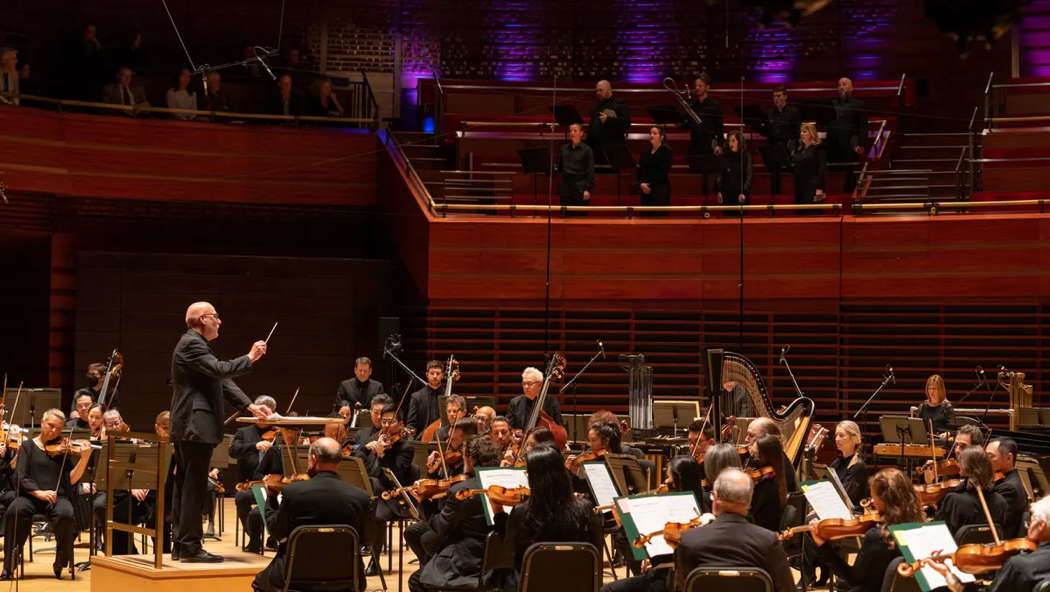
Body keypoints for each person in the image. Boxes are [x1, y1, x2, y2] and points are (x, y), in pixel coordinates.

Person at [170, 301, 272, 563]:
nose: (219, 321)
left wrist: (249, 406)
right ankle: (190, 546)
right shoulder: (192, 343)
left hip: (191, 425)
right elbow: (220, 370)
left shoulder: (196, 345)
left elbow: (222, 380)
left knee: (188, 486)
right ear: (203, 319)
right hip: (195, 425)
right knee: (192, 486)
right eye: (216, 316)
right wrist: (249, 357)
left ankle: (182, 544)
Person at [252, 438, 370, 592]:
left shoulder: (294, 492)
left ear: (313, 459)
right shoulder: (360, 496)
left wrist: (271, 498)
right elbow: (368, 538)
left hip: (295, 576)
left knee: (259, 583)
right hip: (347, 577)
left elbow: (276, 531)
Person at [492, 445, 604, 590]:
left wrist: (499, 513)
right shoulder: (585, 509)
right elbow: (596, 556)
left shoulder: (521, 512)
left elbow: (507, 557)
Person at [1, 409, 93, 579]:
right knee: (14, 510)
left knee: (66, 514)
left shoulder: (63, 450)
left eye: (58, 428)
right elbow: (20, 475)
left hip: (57, 497)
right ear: (42, 422)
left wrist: (84, 459)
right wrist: (39, 493)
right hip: (29, 496)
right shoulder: (27, 446)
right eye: (51, 426)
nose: (54, 431)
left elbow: (70, 480)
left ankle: (61, 558)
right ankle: (9, 565)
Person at [674, 467, 794, 592]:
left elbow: (682, 588)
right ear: (749, 500)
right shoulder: (768, 541)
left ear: (715, 497)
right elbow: (787, 589)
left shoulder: (688, 540)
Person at [408, 437, 502, 592]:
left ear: (470, 459)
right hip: (501, 561)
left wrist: (423, 501)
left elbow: (439, 527)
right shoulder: (511, 484)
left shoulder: (463, 491)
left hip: (469, 563)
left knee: (416, 580)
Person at [600, 456, 705, 592]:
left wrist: (624, 526)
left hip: (669, 579)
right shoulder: (705, 503)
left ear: (678, 480)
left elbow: (635, 547)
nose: (665, 481)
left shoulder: (665, 509)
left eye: (668, 477)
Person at [811, 467, 923, 592]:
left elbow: (853, 578)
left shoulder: (878, 536)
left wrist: (823, 546)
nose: (872, 501)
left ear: (883, 499)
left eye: (874, 497)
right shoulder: (920, 530)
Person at [93, 408, 150, 555]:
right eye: (110, 425)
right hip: (109, 490)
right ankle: (124, 550)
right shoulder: (103, 445)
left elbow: (144, 469)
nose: (115, 427)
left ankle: (117, 549)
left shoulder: (135, 441)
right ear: (104, 426)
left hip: (130, 491)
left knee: (124, 512)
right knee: (101, 505)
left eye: (117, 423)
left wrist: (138, 485)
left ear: (122, 421)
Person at [229, 395, 279, 548]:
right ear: (254, 412)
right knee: (242, 497)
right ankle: (253, 535)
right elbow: (233, 451)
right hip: (250, 483)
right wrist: (254, 445)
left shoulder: (280, 432)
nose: (263, 417)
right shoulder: (243, 432)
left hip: (275, 484)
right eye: (260, 412)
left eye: (268, 413)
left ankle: (275, 536)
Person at [935, 446, 1009, 538]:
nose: (958, 465)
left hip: (959, 551)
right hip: (987, 551)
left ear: (967, 468)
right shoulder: (1001, 502)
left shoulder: (953, 500)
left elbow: (938, 534)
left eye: (960, 462)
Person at [685, 73, 725, 195]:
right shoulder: (692, 105)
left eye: (700, 85)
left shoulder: (715, 105)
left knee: (710, 178)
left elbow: (719, 127)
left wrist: (719, 144)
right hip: (695, 145)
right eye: (696, 86)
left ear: (707, 87)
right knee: (696, 180)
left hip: (709, 146)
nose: (697, 88)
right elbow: (687, 125)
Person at [826, 77, 867, 193]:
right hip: (833, 144)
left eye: (844, 84)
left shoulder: (859, 104)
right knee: (834, 174)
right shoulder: (831, 102)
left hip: (849, 144)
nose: (841, 87)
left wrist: (861, 144)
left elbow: (863, 127)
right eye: (839, 85)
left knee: (850, 173)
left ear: (851, 88)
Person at [759, 86, 801, 195]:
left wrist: (794, 150)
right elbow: (766, 132)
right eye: (774, 96)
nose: (776, 99)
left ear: (785, 97)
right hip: (774, 147)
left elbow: (797, 133)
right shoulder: (770, 113)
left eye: (779, 96)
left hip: (788, 148)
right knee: (774, 172)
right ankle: (775, 196)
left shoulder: (793, 111)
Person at [986, 437, 1027, 538]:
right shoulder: (1003, 480)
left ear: (1009, 458)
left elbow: (988, 519)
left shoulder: (1009, 488)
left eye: (990, 456)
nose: (985, 461)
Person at [748, 434, 787, 532]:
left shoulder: (766, 484)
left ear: (765, 456)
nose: (753, 459)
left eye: (755, 455)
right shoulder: (777, 475)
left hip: (760, 532)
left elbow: (750, 512)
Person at [507, 366, 563, 431]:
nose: (526, 387)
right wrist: (514, 433)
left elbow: (559, 426)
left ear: (539, 385)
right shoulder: (515, 403)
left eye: (529, 383)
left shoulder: (551, 402)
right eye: (524, 383)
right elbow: (509, 427)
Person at [588, 80, 630, 164]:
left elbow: (626, 122)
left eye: (600, 90)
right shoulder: (596, 106)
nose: (598, 93)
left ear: (609, 90)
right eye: (597, 90)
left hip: (612, 148)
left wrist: (609, 120)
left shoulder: (620, 103)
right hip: (596, 147)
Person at [831, 420, 869, 509]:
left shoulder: (858, 466)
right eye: (836, 435)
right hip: (836, 508)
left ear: (854, 438)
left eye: (841, 435)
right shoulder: (836, 463)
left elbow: (846, 498)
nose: (837, 439)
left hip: (852, 515)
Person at [558, 123, 595, 213]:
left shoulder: (587, 150)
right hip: (565, 188)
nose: (572, 133)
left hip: (580, 188)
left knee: (579, 218)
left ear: (581, 133)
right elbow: (560, 167)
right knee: (564, 218)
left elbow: (590, 170)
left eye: (575, 130)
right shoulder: (564, 149)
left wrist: (587, 189)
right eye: (570, 131)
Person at [637, 126, 672, 215]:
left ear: (662, 137)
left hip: (659, 190)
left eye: (655, 133)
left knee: (659, 218)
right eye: (650, 133)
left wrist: (649, 185)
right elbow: (640, 169)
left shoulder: (666, 151)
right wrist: (641, 184)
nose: (651, 135)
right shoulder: (646, 152)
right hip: (645, 190)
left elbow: (663, 172)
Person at [792, 123, 827, 209]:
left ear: (811, 133)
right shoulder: (799, 149)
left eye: (804, 132)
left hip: (813, 186)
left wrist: (819, 188)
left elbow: (822, 169)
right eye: (801, 132)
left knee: (812, 212)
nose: (801, 134)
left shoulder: (819, 148)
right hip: (800, 186)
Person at [407, 360, 446, 436]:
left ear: (442, 375)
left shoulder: (448, 396)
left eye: (438, 373)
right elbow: (411, 424)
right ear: (427, 374)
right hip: (422, 439)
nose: (435, 376)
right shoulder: (416, 397)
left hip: (443, 439)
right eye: (432, 373)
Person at [717, 130, 753, 211]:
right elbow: (720, 175)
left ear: (739, 142)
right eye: (729, 141)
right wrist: (719, 191)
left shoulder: (746, 156)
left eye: (733, 140)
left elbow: (749, 175)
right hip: (726, 193)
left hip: (741, 194)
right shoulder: (725, 156)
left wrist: (744, 191)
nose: (731, 143)